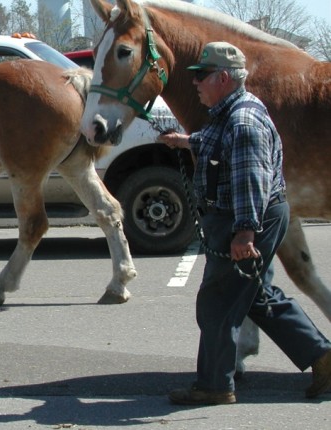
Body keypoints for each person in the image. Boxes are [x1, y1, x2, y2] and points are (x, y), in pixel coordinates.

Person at [157, 41, 331, 404]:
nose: (196, 83)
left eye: (202, 76)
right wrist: (187, 141)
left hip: (248, 219)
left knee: (218, 302)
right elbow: (221, 144)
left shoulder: (243, 120)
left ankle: (215, 386)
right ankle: (322, 356)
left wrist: (244, 233)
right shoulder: (232, 113)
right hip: (248, 217)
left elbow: (251, 179)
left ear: (223, 78)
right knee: (255, 295)